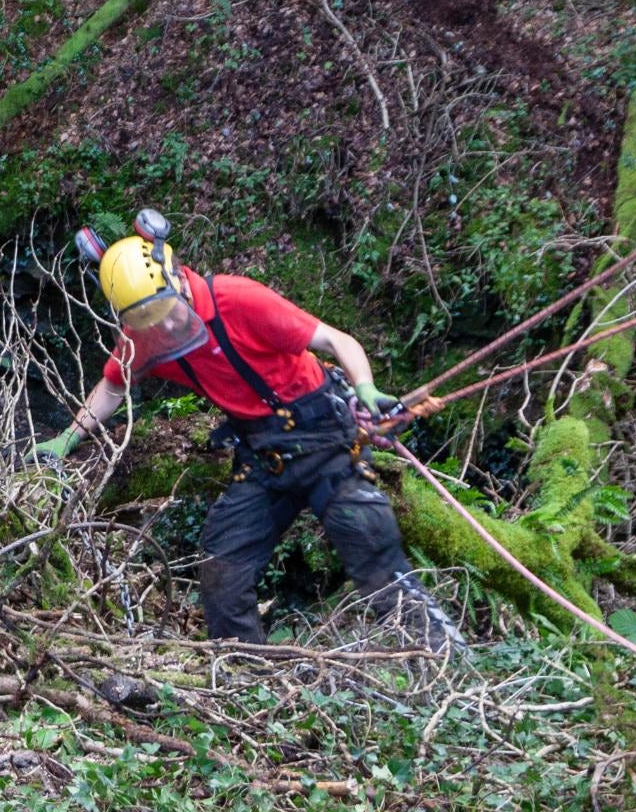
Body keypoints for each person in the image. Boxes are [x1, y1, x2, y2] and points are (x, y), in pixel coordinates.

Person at [38, 210, 458, 651]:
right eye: (146, 319)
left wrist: (366, 389)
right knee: (222, 564)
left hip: (326, 438)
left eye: (164, 309)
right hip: (263, 456)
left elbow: (336, 341)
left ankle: (445, 662)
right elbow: (112, 383)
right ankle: (247, 676)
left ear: (177, 278)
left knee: (372, 551)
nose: (162, 325)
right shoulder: (144, 335)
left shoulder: (238, 300)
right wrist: (69, 436)